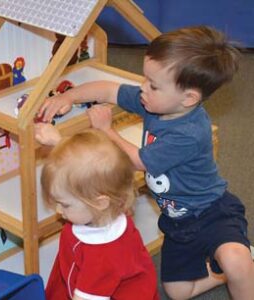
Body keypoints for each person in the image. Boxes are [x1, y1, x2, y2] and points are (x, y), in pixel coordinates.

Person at [36, 25, 254, 299]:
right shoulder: (156, 102)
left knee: (235, 260)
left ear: (188, 98)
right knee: (178, 293)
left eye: (152, 84)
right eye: (145, 79)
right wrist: (68, 96)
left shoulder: (190, 132)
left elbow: (140, 161)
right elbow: (107, 90)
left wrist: (106, 130)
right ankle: (225, 270)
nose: (142, 88)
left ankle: (240, 266)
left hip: (211, 212)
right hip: (178, 222)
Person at [39, 128, 159, 300]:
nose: (59, 211)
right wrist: (58, 142)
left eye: (64, 205)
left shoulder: (102, 256)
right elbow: (85, 167)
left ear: (100, 202)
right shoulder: (108, 207)